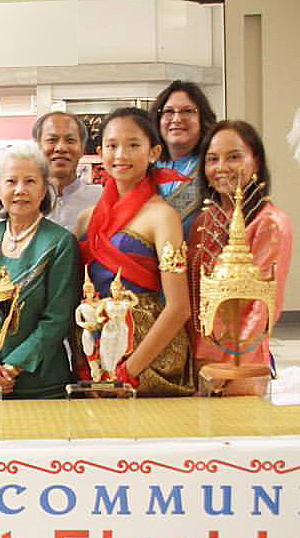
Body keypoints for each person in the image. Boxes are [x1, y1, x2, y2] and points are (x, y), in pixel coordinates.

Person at [73, 107, 195, 396]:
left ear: (153, 152)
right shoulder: (86, 219)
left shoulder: (163, 216)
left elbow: (179, 308)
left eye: (133, 145)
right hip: (94, 346)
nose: (121, 155)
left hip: (146, 350)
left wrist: (128, 372)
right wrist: (87, 361)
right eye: (112, 146)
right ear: (101, 152)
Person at [189, 120, 293, 390]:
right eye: (212, 159)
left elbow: (261, 309)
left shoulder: (270, 223)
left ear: (256, 162)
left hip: (240, 365)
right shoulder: (204, 221)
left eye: (234, 157)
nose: (221, 167)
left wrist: (227, 368)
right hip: (196, 359)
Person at [0, 143, 77, 399]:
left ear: (43, 189)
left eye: (30, 181)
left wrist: (9, 369)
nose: (20, 190)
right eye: (11, 181)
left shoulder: (60, 242)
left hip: (43, 382)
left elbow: (57, 319)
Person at [152, 80, 217, 236]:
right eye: (168, 111)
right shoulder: (146, 168)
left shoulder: (213, 169)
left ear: (202, 118)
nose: (176, 119)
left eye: (187, 111)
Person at [33, 111, 103, 231]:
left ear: (82, 148)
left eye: (70, 140)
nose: (61, 148)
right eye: (52, 140)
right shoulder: (24, 201)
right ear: (38, 147)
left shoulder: (102, 200)